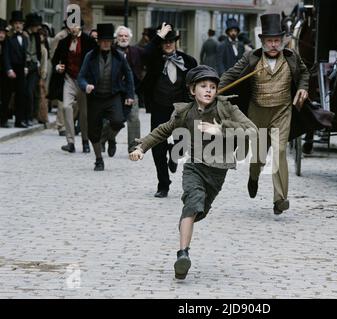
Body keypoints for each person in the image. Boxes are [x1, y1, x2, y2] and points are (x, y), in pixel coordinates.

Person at [129, 65, 257, 280]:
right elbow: (163, 130)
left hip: (218, 173)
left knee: (199, 211)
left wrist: (221, 129)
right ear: (192, 90)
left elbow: (252, 130)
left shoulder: (227, 109)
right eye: (203, 86)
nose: (208, 90)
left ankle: (186, 228)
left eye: (213, 87)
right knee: (192, 202)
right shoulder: (185, 113)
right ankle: (183, 255)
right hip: (194, 167)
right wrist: (141, 147)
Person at [220, 14, 310, 215]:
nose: (273, 45)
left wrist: (303, 89)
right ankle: (254, 176)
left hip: (282, 111)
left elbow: (304, 73)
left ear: (282, 41)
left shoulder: (291, 57)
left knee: (278, 153)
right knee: (259, 155)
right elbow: (231, 75)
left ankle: (280, 199)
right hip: (256, 112)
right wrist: (214, 90)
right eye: (269, 41)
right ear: (262, 41)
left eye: (277, 41)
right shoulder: (250, 57)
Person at [140, 22, 197, 198]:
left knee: (182, 142)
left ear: (176, 42)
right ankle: (163, 184)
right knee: (158, 147)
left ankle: (175, 155)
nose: (168, 44)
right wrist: (158, 36)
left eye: (171, 40)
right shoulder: (154, 59)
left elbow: (197, 83)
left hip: (182, 109)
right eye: (165, 41)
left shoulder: (188, 61)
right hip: (159, 107)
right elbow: (143, 54)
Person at [77, 23, 135, 171]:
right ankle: (98, 159)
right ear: (98, 42)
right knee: (93, 131)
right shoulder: (90, 56)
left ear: (112, 42)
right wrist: (86, 86)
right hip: (95, 97)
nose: (105, 43)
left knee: (118, 121)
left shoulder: (119, 56)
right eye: (102, 41)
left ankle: (110, 137)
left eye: (108, 41)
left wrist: (129, 94)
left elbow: (129, 76)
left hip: (113, 96)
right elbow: (81, 77)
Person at [53, 18, 96, 153]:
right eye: (71, 26)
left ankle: (85, 141)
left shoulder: (89, 41)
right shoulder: (63, 42)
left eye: (76, 26)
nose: (73, 28)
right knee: (66, 107)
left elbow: (95, 60)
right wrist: (57, 66)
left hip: (84, 80)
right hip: (69, 79)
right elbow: (55, 59)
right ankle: (70, 142)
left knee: (84, 113)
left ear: (81, 27)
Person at [100, 25, 145, 156]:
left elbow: (150, 51)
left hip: (131, 90)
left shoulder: (136, 51)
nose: (123, 38)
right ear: (116, 38)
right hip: (113, 91)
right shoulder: (110, 51)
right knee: (114, 120)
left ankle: (134, 147)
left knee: (134, 118)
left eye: (126, 36)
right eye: (120, 36)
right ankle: (107, 138)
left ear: (130, 38)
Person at [3, 11, 28, 128]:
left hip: (21, 69)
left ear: (22, 25)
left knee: (21, 95)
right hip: (11, 68)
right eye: (16, 23)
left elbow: (26, 54)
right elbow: (6, 55)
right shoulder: (8, 38)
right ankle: (3, 119)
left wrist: (26, 66)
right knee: (6, 94)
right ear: (13, 25)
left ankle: (19, 120)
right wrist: (8, 69)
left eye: (20, 23)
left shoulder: (25, 38)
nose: (18, 25)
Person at [24, 13, 43, 125]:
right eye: (36, 26)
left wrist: (38, 64)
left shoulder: (36, 36)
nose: (38, 28)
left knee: (31, 91)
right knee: (25, 92)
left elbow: (38, 52)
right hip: (25, 65)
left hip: (34, 66)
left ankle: (30, 116)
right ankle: (25, 116)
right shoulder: (25, 35)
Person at [0, 18, 10, 127]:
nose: (2, 35)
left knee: (5, 97)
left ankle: (3, 119)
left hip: (5, 74)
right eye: (0, 32)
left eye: (3, 33)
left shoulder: (8, 43)